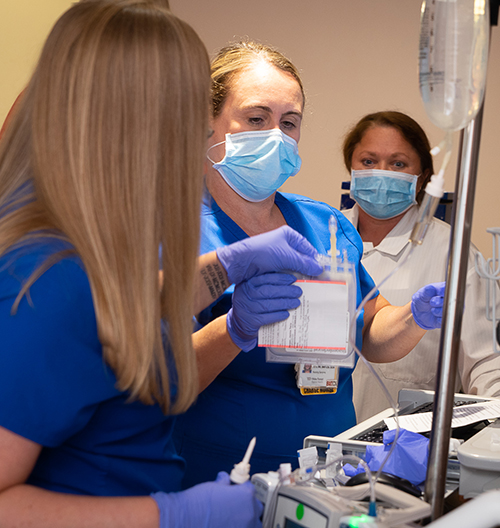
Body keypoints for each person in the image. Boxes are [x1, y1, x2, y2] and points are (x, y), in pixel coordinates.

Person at [0, 4, 326, 526]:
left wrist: (227, 270)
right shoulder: (48, 277)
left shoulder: (88, 246)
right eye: (185, 118)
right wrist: (172, 514)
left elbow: (113, 310)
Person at [173, 41, 445, 489]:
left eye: (290, 122)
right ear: (206, 121)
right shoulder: (174, 233)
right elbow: (155, 381)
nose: (276, 136)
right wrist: (235, 327)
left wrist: (414, 317)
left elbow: (369, 331)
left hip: (331, 471)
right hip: (220, 476)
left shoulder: (325, 224)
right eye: (257, 118)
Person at [341, 110, 500, 422]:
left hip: (409, 446)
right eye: (368, 161)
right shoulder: (324, 240)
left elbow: (487, 362)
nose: (381, 173)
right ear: (351, 167)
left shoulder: (454, 253)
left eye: (398, 163)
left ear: (423, 176)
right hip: (321, 435)